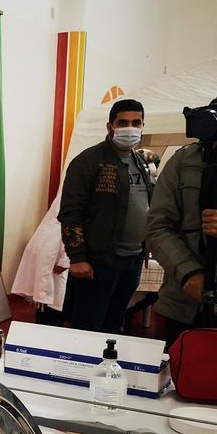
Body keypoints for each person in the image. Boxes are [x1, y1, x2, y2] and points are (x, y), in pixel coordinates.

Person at [58, 99, 153, 333]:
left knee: (115, 324)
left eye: (136, 123)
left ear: (142, 125)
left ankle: (107, 368)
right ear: (110, 126)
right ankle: (81, 369)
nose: (130, 128)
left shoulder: (139, 161)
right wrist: (77, 257)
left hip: (133, 259)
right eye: (123, 122)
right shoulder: (89, 161)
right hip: (100, 260)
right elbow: (71, 212)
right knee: (88, 326)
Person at [148, 97, 217, 346]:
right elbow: (158, 225)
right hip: (184, 303)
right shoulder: (183, 161)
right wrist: (189, 273)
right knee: (182, 379)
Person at [10, 196, 70, 326]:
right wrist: (66, 260)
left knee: (46, 292)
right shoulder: (69, 196)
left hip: (50, 245)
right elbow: (68, 223)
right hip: (54, 247)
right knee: (50, 295)